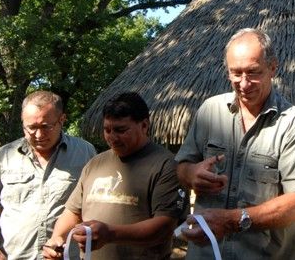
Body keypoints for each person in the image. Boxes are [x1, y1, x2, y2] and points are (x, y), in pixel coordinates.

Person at [174, 28, 295, 260]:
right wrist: (191, 174)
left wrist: (231, 221)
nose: (244, 83)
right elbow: (180, 166)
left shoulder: (293, 122)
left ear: (273, 68)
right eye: (235, 73)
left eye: (253, 72)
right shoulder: (210, 111)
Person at [42, 92, 187, 260]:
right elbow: (73, 211)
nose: (112, 137)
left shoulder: (167, 165)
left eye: (120, 130)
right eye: (107, 130)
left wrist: (110, 234)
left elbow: (164, 227)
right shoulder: (95, 164)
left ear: (144, 126)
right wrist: (57, 237)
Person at [0, 90, 96, 260]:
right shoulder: (3, 156)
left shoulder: (85, 153)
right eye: (31, 128)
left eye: (46, 126)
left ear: (62, 120)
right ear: (22, 123)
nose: (39, 135)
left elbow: (98, 206)